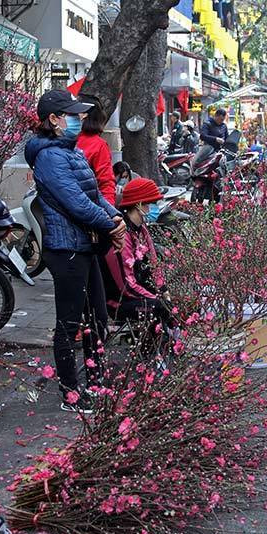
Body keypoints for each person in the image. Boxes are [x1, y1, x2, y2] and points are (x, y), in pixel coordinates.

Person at [25, 90, 126, 413]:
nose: (79, 119)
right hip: (66, 249)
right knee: (69, 324)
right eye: (71, 114)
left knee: (97, 316)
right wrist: (110, 225)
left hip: (85, 246)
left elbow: (94, 195)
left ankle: (95, 382)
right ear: (53, 120)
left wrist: (115, 217)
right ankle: (71, 392)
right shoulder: (50, 157)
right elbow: (76, 204)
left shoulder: (70, 151)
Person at [106, 178, 173, 358]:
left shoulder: (141, 229)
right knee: (159, 308)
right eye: (151, 204)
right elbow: (125, 285)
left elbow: (153, 263)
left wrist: (163, 289)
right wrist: (156, 298)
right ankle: (150, 356)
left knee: (172, 302)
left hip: (140, 291)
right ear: (139, 204)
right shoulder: (122, 234)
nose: (153, 208)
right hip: (119, 299)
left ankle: (160, 350)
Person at [76, 96, 116, 205]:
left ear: (84, 115)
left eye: (75, 110)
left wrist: (109, 213)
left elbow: (106, 182)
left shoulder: (98, 145)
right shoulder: (65, 139)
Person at [193, 108, 229, 174]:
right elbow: (202, 136)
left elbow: (227, 138)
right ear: (216, 116)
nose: (221, 121)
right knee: (195, 162)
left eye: (223, 120)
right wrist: (216, 139)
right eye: (220, 119)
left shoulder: (224, 126)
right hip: (209, 147)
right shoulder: (207, 124)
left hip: (221, 150)